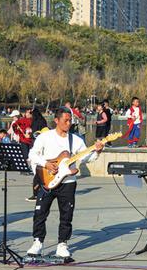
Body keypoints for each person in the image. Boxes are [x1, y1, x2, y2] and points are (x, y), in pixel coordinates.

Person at [26, 108, 104, 258]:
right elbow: (32, 154)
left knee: (66, 214)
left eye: (70, 121)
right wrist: (46, 164)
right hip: (47, 179)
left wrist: (97, 151)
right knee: (40, 213)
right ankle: (37, 242)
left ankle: (62, 244)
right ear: (56, 120)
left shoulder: (76, 140)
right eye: (65, 120)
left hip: (68, 182)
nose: (69, 123)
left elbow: (86, 158)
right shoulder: (45, 137)